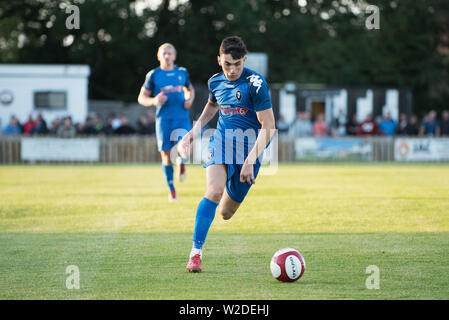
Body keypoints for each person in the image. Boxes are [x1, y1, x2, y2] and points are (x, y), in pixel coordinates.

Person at [177, 36, 275, 273]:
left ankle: (218, 199)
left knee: (225, 213)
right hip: (221, 142)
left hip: (249, 150)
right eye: (227, 64)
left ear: (244, 60)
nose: (232, 70)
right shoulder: (215, 81)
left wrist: (250, 161)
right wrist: (193, 132)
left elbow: (268, 125)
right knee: (213, 191)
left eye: (237, 64)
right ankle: (195, 254)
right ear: (219, 60)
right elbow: (212, 105)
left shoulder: (255, 83)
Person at [137, 43, 195, 201]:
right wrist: (154, 100)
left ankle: (181, 161)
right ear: (158, 56)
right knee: (166, 157)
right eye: (164, 54)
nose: (167, 56)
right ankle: (171, 189)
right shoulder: (153, 75)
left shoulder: (182, 72)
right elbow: (141, 98)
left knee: (185, 147)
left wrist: (189, 98)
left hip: (181, 117)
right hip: (163, 120)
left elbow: (190, 89)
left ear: (175, 56)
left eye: (170, 53)